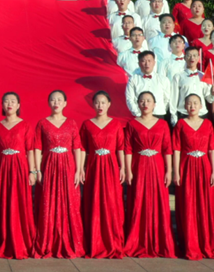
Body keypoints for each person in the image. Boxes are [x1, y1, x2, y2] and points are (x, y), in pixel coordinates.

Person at [33, 90, 84, 258]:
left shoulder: (72, 123)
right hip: (49, 166)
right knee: (48, 200)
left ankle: (70, 241)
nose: (56, 103)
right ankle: (49, 241)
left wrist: (78, 169)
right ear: (48, 103)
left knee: (70, 201)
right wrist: (37, 170)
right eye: (53, 100)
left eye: (59, 100)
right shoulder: (42, 123)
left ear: (65, 103)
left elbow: (77, 147)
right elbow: (37, 148)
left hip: (68, 166)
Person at [124, 91, 176, 258]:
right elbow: (128, 149)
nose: (145, 103)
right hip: (138, 166)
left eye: (148, 101)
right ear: (138, 104)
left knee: (158, 201)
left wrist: (169, 170)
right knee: (138, 200)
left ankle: (160, 241)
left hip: (157, 166)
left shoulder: (162, 124)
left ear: (155, 104)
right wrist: (128, 171)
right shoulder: (132, 124)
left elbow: (167, 149)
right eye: (142, 101)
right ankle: (137, 240)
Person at [172, 94, 214, 260]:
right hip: (186, 166)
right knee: (188, 203)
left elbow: (212, 150)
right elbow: (176, 150)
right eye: (189, 103)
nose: (192, 106)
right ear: (184, 106)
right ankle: (190, 242)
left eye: (195, 103)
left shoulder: (208, 124)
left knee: (205, 203)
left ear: (201, 106)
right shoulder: (180, 124)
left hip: (204, 167)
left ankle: (206, 241)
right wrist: (176, 171)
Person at [79, 91, 126, 259]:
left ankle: (112, 241)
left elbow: (120, 148)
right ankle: (95, 241)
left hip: (111, 166)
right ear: (93, 104)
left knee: (112, 201)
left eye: (103, 102)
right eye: (97, 102)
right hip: (93, 166)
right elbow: (82, 148)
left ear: (109, 104)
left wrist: (122, 167)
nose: (100, 106)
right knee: (94, 200)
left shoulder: (116, 124)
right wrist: (81, 168)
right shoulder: (86, 124)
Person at [0, 92, 35, 259]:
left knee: (20, 201)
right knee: (3, 201)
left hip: (19, 167)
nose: (9, 104)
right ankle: (2, 239)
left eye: (13, 101)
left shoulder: (25, 125)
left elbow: (30, 150)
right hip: (3, 167)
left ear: (18, 105)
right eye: (6, 101)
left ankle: (21, 240)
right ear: (2, 105)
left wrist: (32, 171)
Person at [169, 48, 214, 126]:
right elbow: (173, 98)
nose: (192, 58)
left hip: (201, 114)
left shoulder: (203, 76)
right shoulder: (178, 76)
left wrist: (213, 94)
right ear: (184, 58)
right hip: (184, 113)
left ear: (198, 58)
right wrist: (173, 116)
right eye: (189, 55)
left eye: (194, 55)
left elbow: (209, 99)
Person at [125, 51, 170, 119]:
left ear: (154, 62)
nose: (147, 64)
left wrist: (160, 109)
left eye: (149, 61)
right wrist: (138, 113)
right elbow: (129, 99)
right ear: (139, 63)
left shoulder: (163, 79)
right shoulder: (133, 79)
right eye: (143, 61)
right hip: (140, 115)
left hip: (158, 114)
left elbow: (167, 98)